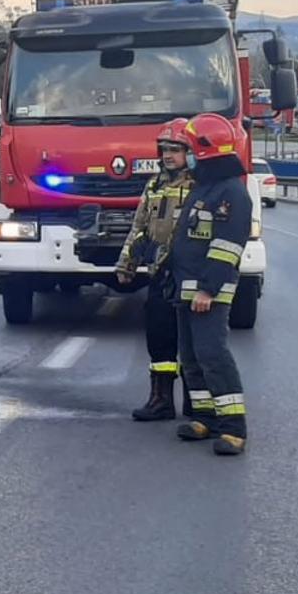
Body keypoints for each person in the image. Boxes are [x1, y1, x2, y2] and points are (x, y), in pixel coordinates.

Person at [168, 114, 254, 456]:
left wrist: (208, 289)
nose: (186, 155)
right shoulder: (204, 188)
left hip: (208, 292)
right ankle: (205, 418)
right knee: (190, 357)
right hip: (187, 289)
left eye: (189, 149)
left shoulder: (231, 192)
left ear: (205, 151)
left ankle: (233, 428)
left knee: (212, 355)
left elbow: (227, 247)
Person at [116, 118, 194, 421]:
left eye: (175, 149)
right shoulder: (154, 185)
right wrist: (127, 263)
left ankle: (196, 402)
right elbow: (139, 227)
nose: (168, 155)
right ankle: (161, 400)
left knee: (191, 341)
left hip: (189, 273)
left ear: (190, 152)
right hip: (159, 273)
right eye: (164, 149)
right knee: (159, 336)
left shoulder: (200, 186)